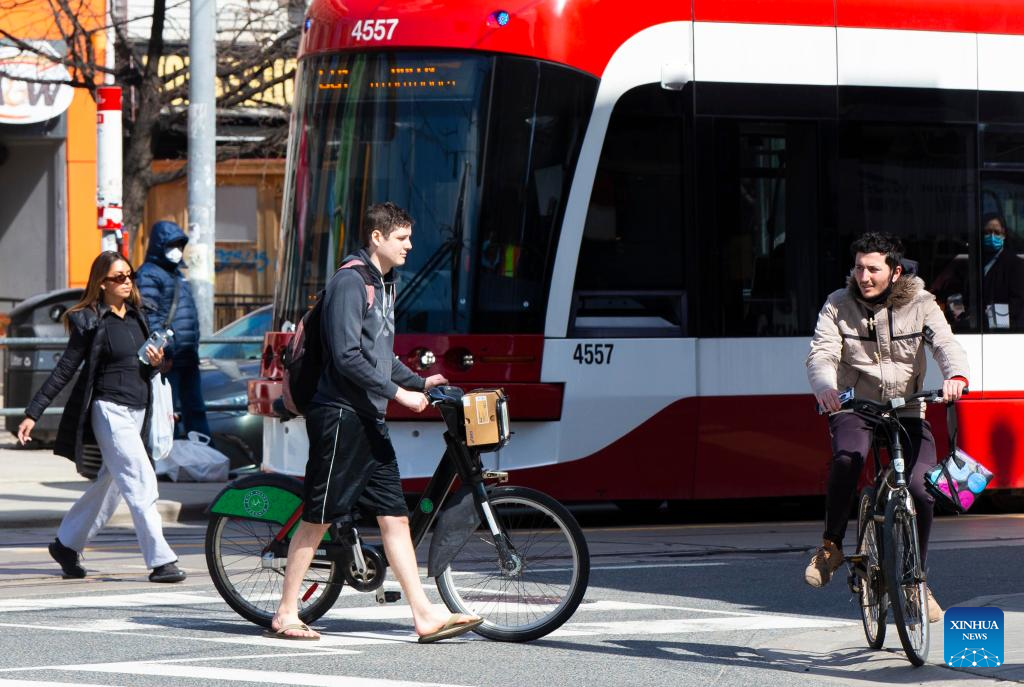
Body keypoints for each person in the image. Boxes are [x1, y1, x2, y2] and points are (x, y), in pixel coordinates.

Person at [267, 202, 483, 642]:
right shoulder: (350, 282)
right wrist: (400, 395)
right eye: (402, 238)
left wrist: (420, 382)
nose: (410, 246)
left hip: (369, 418)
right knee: (319, 516)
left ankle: (423, 615)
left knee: (395, 518)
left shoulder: (384, 284)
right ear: (377, 237)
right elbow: (347, 356)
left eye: (409, 237)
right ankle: (286, 612)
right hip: (340, 416)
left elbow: (380, 355)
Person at [805, 232, 969, 623]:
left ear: (894, 272)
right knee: (847, 459)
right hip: (855, 407)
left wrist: (956, 375)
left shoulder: (922, 303)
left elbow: (945, 344)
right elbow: (821, 354)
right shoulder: (837, 304)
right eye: (858, 268)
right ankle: (831, 547)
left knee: (921, 489)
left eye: (873, 269)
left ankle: (915, 580)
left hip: (907, 409)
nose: (863, 276)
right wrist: (826, 387)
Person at [16, 251, 187, 583]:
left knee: (110, 486)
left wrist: (157, 362)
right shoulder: (91, 321)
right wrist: (32, 413)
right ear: (102, 283)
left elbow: (150, 367)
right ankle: (161, 561)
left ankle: (66, 545)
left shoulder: (139, 316)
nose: (127, 282)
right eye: (118, 277)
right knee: (141, 481)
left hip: (139, 411)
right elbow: (64, 369)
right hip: (110, 411)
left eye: (129, 275)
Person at [135, 221, 210, 441]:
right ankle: (168, 453)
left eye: (179, 245)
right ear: (160, 245)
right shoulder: (149, 274)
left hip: (187, 356)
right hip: (169, 359)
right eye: (171, 245)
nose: (176, 250)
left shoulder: (177, 274)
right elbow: (150, 315)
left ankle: (202, 453)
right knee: (168, 413)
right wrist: (164, 352)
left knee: (195, 410)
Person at [980, 213, 1024, 329]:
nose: (992, 236)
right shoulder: (977, 261)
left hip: (1004, 327)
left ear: (1003, 235)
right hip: (979, 324)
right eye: (988, 232)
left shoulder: (1015, 264)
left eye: (996, 232)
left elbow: (1017, 301)